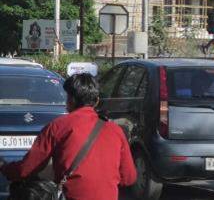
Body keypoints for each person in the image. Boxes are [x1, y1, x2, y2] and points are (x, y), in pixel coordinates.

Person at [0, 73, 137, 200]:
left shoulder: (58, 127)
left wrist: (5, 168)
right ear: (96, 101)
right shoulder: (115, 130)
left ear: (70, 100)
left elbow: (26, 169)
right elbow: (129, 178)